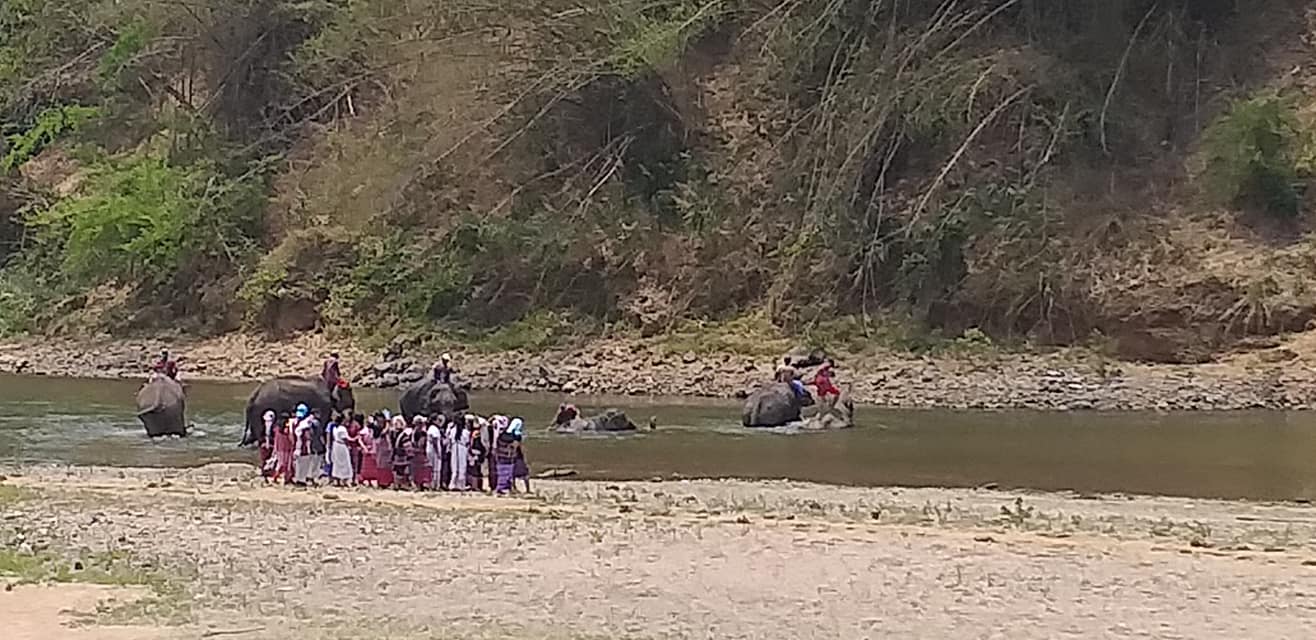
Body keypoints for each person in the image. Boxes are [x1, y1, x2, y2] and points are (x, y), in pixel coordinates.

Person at [293, 405, 318, 486]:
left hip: (297, 446)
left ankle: (299, 479)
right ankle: (301, 479)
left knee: (299, 464)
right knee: (304, 464)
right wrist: (309, 449)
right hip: (303, 447)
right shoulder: (305, 426)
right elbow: (308, 438)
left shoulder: (295, 423)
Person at [492, 427, 519, 495]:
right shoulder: (510, 441)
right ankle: (502, 489)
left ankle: (502, 489)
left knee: (502, 475)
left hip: (502, 459)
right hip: (507, 459)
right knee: (508, 475)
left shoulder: (500, 439)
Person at [508, 417, 530, 493]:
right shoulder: (517, 434)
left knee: (512, 472)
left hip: (511, 455)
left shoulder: (508, 433)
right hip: (517, 455)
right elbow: (517, 445)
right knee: (524, 473)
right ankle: (527, 489)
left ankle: (513, 487)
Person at [272, 412, 295, 485]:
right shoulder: (287, 428)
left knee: (280, 463)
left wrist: (275, 448)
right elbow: (291, 438)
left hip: (279, 448)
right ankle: (286, 478)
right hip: (287, 448)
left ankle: (276, 477)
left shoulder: (276, 428)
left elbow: (275, 438)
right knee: (288, 464)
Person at [449, 415, 470, 491]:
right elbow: (467, 442)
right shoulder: (465, 432)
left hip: (454, 448)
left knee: (454, 466)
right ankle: (461, 485)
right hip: (462, 448)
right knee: (462, 466)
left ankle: (453, 484)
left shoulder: (452, 431)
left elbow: (450, 440)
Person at [358, 415, 378, 487]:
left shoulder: (374, 430)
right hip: (366, 449)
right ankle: (365, 479)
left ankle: (373, 478)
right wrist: (364, 447)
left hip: (373, 449)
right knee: (365, 466)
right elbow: (360, 440)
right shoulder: (364, 430)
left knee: (373, 465)